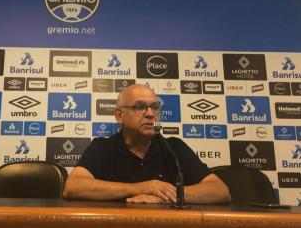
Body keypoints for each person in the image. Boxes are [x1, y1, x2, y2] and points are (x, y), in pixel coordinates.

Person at [63, 84, 231, 204]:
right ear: (119, 115)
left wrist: (167, 195)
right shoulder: (102, 147)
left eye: (155, 107)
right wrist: (141, 188)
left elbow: (220, 190)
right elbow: (73, 187)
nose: (150, 114)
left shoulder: (174, 147)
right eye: (140, 107)